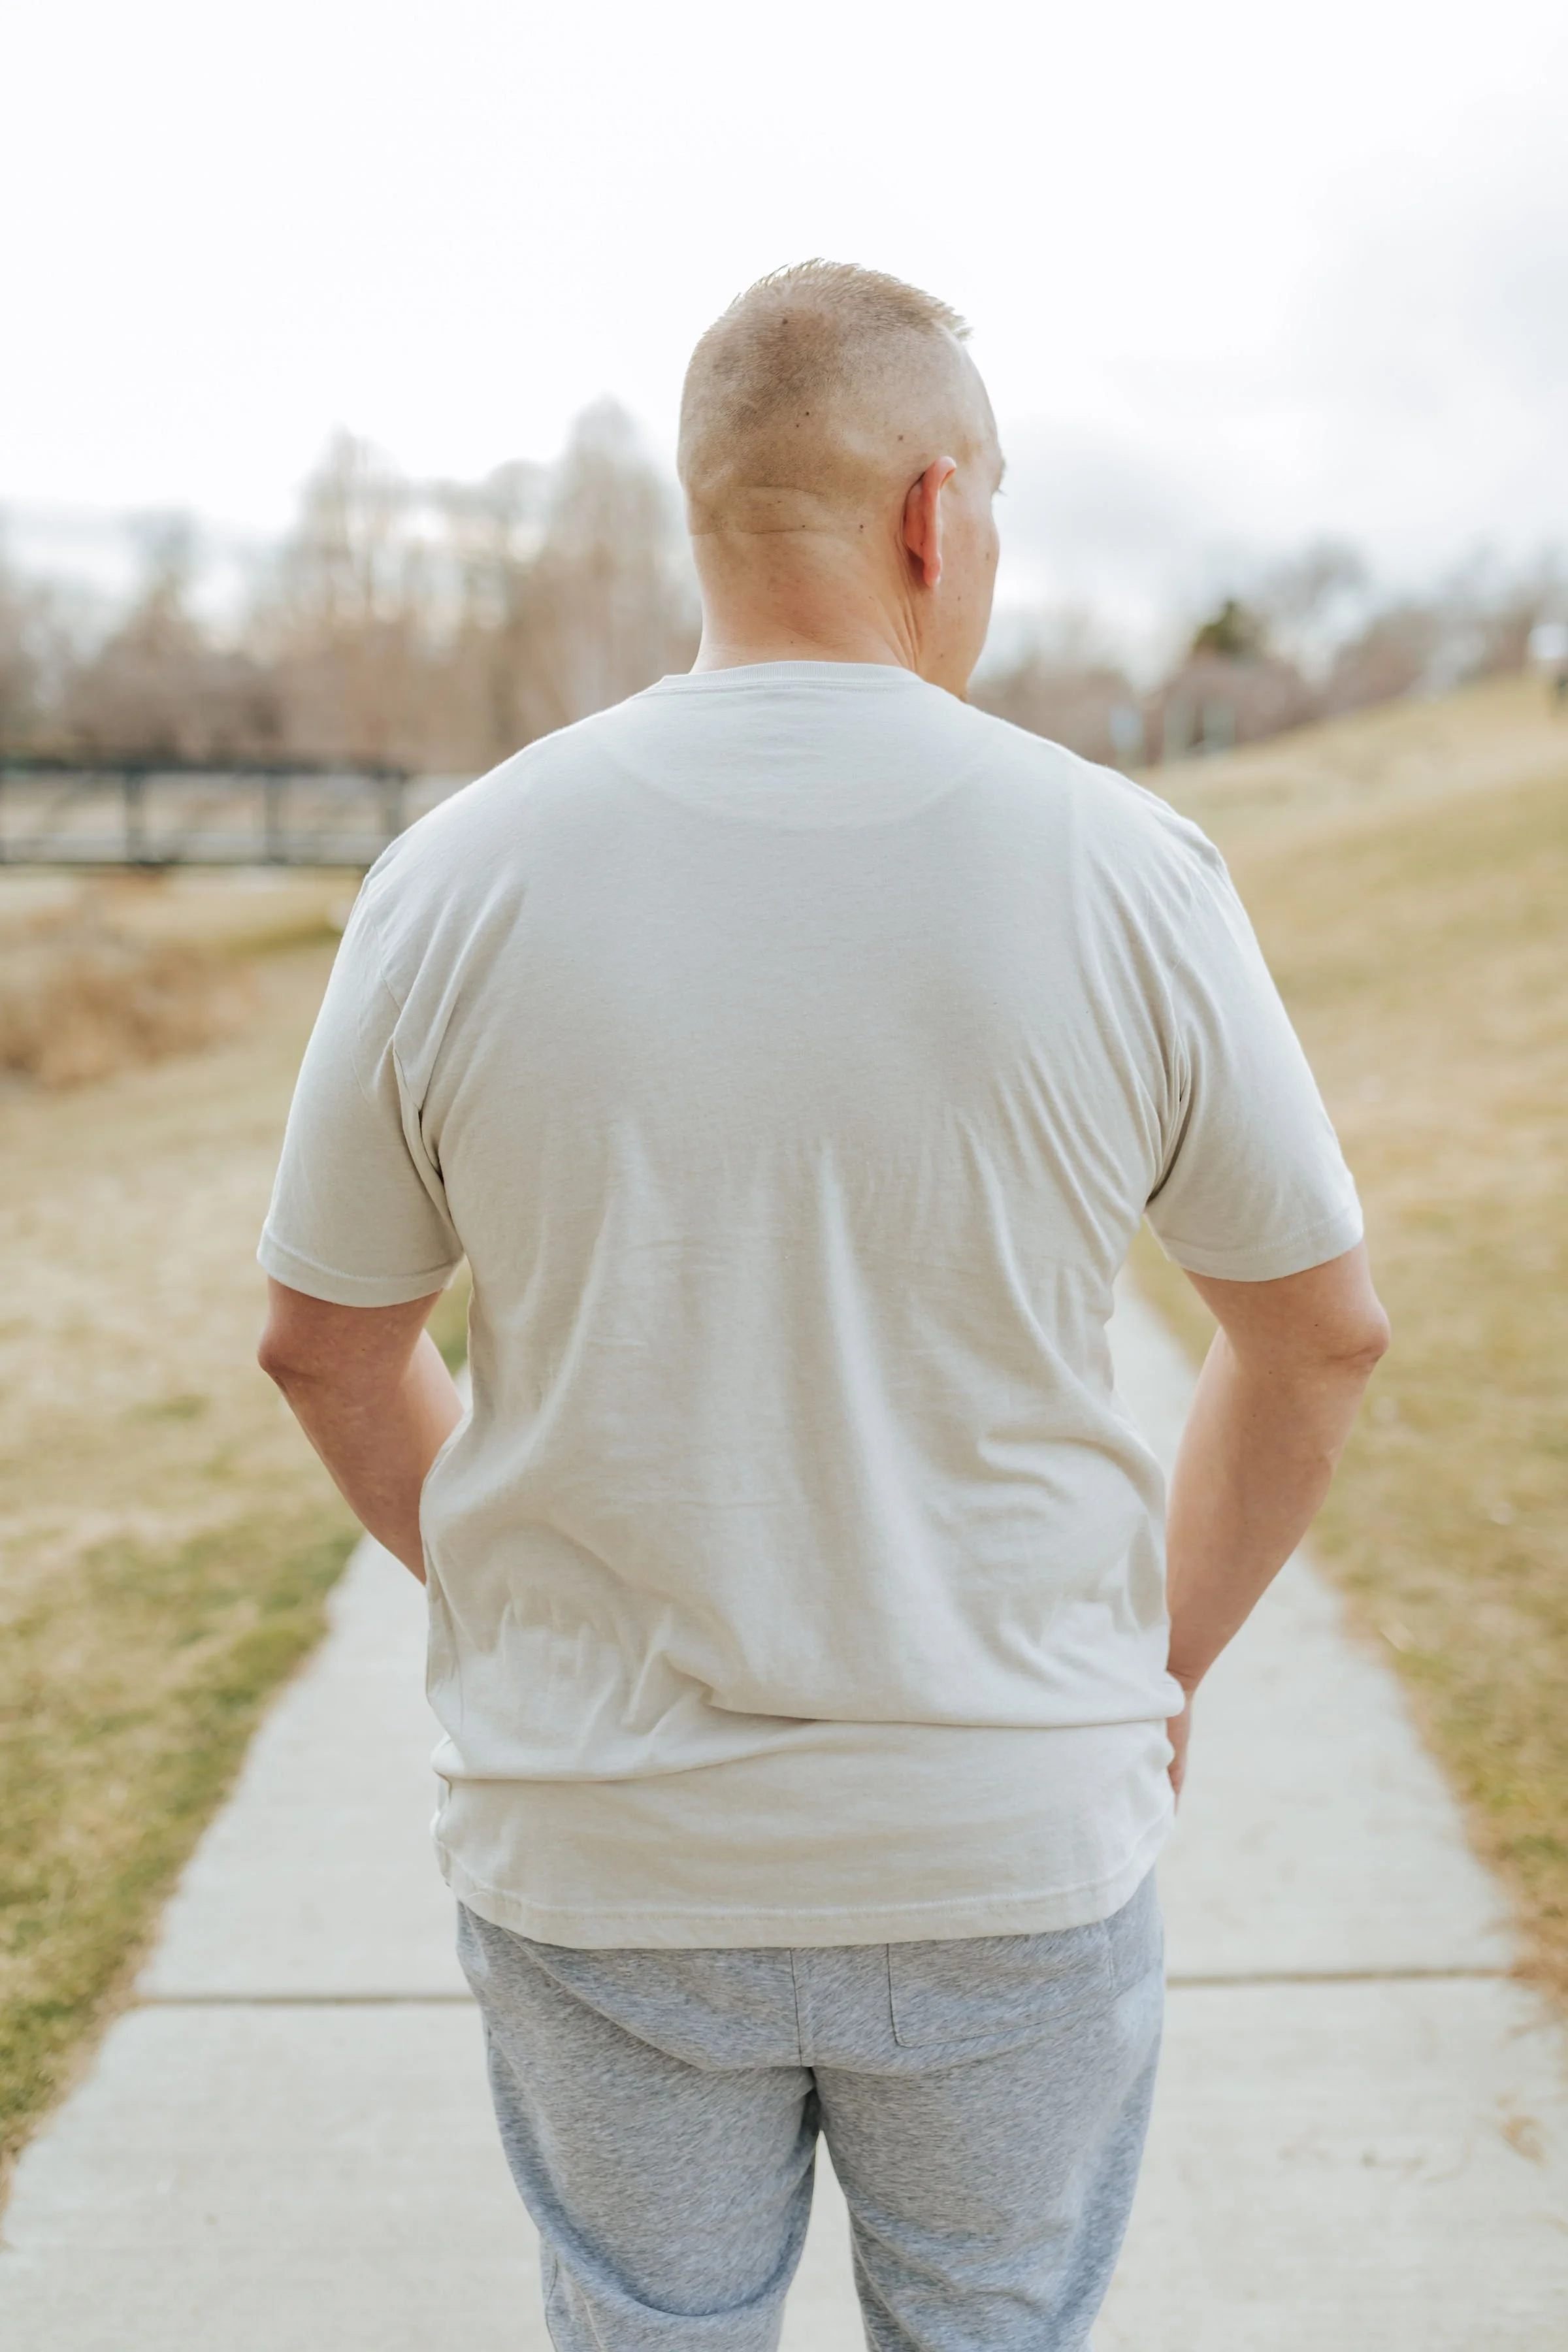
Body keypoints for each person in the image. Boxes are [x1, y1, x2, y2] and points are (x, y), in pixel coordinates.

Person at [257, 261, 1388, 2351]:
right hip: (1006, 1846)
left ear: (707, 512)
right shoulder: (1130, 869)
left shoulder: (455, 876)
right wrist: (1155, 1666)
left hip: (602, 1858)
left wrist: (530, 1594)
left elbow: (324, 1342)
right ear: (934, 511)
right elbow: (1316, 1331)